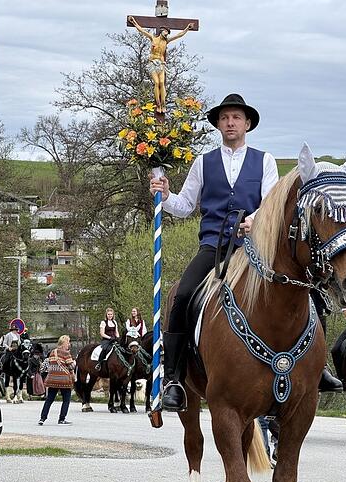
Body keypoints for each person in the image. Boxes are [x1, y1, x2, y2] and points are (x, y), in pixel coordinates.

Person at [149, 93, 278, 411]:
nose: (230, 122)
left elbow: (272, 204)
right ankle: (175, 379)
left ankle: (314, 369)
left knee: (296, 284)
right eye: (225, 118)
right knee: (182, 296)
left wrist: (254, 221)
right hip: (213, 248)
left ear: (247, 123)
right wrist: (165, 195)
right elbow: (184, 206)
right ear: (218, 124)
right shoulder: (203, 163)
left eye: (236, 117)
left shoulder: (265, 160)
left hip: (253, 248)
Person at [127, 17, 195, 114]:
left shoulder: (166, 41)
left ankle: (163, 104)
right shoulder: (153, 38)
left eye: (168, 32)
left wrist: (187, 28)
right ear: (162, 31)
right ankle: (158, 104)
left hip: (161, 64)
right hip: (153, 63)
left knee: (162, 82)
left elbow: (179, 35)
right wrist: (134, 22)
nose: (166, 33)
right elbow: (141, 30)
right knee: (157, 82)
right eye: (166, 32)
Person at [40, 335, 76, 426]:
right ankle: (61, 419)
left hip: (52, 380)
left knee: (49, 400)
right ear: (64, 343)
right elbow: (71, 366)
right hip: (64, 380)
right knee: (66, 400)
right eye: (68, 342)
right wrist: (74, 362)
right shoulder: (66, 353)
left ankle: (42, 418)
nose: (69, 344)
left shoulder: (52, 352)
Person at [95, 307, 120, 371]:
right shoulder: (103, 322)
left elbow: (116, 332)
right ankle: (99, 363)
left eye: (111, 314)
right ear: (106, 315)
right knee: (105, 348)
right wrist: (110, 338)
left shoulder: (114, 322)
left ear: (113, 315)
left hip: (114, 339)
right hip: (106, 340)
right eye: (108, 314)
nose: (110, 315)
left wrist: (118, 338)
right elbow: (102, 333)